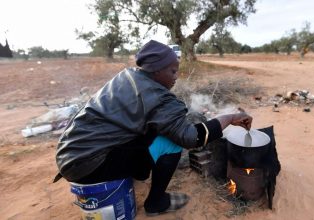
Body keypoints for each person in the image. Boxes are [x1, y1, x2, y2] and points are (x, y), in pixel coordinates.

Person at [55, 40, 252, 216]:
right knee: (171, 142)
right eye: (173, 71)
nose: (176, 77)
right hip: (90, 166)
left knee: (153, 131)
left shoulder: (127, 77)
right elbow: (192, 138)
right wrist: (230, 117)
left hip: (70, 156)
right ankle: (157, 202)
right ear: (156, 70)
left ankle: (131, 174)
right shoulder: (158, 96)